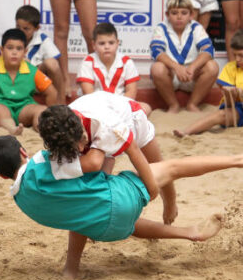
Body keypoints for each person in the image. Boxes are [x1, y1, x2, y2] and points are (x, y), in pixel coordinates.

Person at [0, 135, 240, 279]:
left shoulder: (20, 200)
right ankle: (235, 160)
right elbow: (94, 163)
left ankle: (71, 269)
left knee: (80, 211)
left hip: (108, 230)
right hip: (119, 200)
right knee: (171, 168)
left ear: (1, 176)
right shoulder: (41, 161)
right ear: (23, 151)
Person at [50, 92, 176, 223]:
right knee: (99, 180)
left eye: (82, 139)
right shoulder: (61, 125)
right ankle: (98, 214)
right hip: (103, 112)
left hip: (131, 120)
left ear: (81, 122)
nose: (81, 149)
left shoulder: (107, 124)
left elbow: (133, 151)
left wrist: (152, 189)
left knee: (158, 163)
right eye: (75, 146)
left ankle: (170, 203)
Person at [0, 28, 57, 135]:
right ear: (1, 50)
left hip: (24, 107)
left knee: (41, 110)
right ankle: (11, 129)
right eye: (10, 48)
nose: (14, 52)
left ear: (25, 52)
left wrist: (53, 115)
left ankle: (44, 129)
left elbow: (51, 92)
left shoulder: (32, 70)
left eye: (19, 49)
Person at [149, 0, 218, 113]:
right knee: (157, 68)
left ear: (191, 15)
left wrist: (192, 67)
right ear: (167, 15)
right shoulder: (161, 27)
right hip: (171, 77)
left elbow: (208, 50)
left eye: (184, 13)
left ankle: (192, 104)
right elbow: (156, 52)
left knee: (212, 66)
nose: (179, 17)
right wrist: (177, 67)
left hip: (192, 75)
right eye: (174, 13)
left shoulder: (196, 27)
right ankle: (173, 105)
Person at [174, 29, 243, 137]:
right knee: (221, 114)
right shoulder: (230, 68)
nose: (237, 59)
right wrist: (230, 94)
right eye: (235, 55)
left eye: (241, 55)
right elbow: (230, 105)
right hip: (237, 110)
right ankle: (186, 131)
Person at [76, 22, 151, 115]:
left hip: (121, 105)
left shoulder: (126, 62)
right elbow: (88, 93)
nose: (107, 47)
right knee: (76, 113)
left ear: (117, 43)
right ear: (93, 45)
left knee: (146, 108)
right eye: (102, 43)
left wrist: (117, 108)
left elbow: (131, 91)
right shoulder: (87, 62)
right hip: (95, 107)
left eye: (111, 43)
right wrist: (105, 110)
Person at [15, 4, 65, 102]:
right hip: (17, 79)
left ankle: (60, 102)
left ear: (37, 28)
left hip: (38, 80)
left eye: (26, 29)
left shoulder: (43, 39)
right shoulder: (11, 37)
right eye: (18, 27)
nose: (21, 31)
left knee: (51, 62)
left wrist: (31, 67)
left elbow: (55, 64)